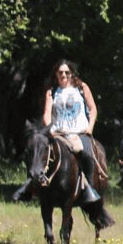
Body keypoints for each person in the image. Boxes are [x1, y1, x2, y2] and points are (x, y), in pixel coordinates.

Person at [17, 61, 113, 226]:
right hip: (59, 133)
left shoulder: (82, 87)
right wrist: (49, 129)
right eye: (60, 73)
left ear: (71, 73)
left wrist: (90, 127)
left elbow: (93, 108)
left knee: (87, 154)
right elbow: (47, 114)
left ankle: (89, 191)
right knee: (37, 151)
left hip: (79, 132)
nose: (63, 75)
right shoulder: (51, 91)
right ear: (56, 74)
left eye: (66, 72)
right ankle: (30, 186)